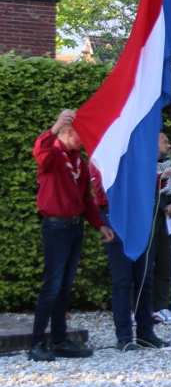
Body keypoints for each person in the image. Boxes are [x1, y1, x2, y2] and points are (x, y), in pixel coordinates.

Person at [29, 109, 115, 362]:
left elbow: (86, 200)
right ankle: (36, 344)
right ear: (68, 132)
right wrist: (54, 126)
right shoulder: (54, 155)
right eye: (82, 135)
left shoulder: (79, 161)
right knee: (52, 286)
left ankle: (59, 340)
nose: (86, 140)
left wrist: (100, 225)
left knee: (64, 287)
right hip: (56, 228)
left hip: (74, 227)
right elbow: (40, 151)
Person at [93, 159, 168, 351]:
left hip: (138, 213)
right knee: (123, 280)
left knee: (144, 277)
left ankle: (145, 333)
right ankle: (124, 336)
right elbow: (102, 189)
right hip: (116, 212)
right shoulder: (103, 155)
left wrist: (158, 179)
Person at [151, 131, 171, 324]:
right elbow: (143, 192)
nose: (169, 145)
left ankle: (161, 307)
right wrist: (163, 208)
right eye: (165, 142)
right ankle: (137, 307)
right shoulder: (146, 167)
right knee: (143, 268)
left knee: (164, 266)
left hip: (167, 226)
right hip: (150, 222)